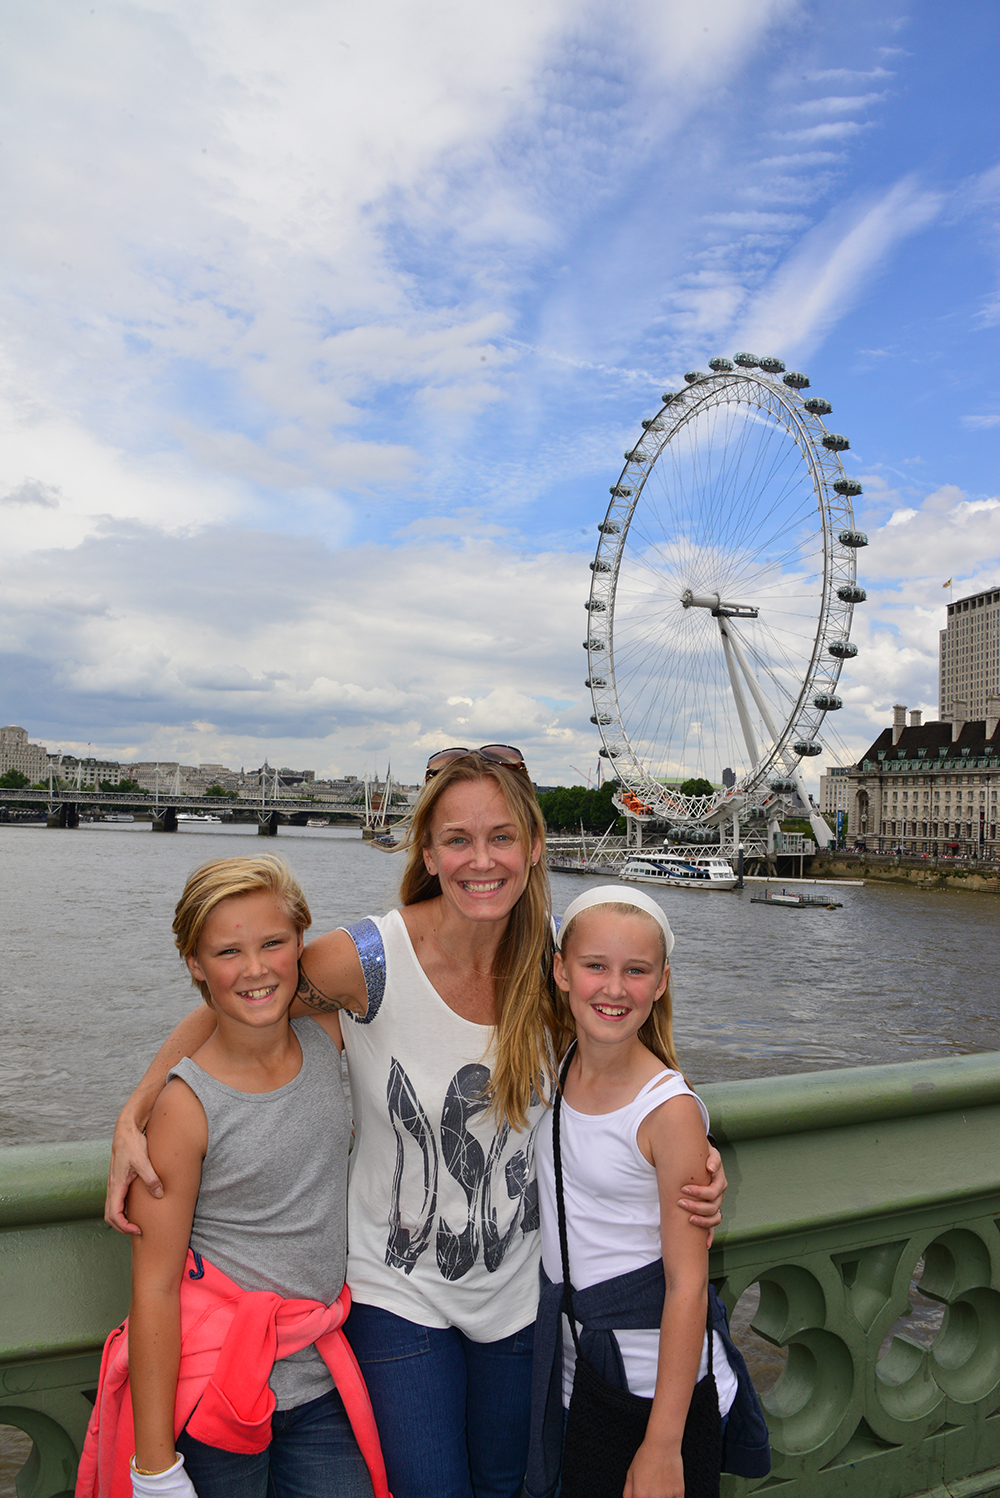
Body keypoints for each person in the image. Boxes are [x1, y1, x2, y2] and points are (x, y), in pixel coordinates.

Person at [105, 749, 726, 1498]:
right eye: (457, 840)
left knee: (509, 1486)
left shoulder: (559, 964)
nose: (481, 860)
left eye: (502, 837)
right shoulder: (369, 960)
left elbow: (629, 1042)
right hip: (395, 1294)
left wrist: (688, 1142)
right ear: (427, 854)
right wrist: (138, 1107)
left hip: (520, 1293)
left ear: (535, 848)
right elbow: (239, 998)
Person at [79, 856, 387, 1498]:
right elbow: (156, 1288)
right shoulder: (184, 1110)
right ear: (194, 963)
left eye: (273, 943)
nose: (255, 968)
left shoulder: (329, 1032)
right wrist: (155, 1465)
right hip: (213, 1392)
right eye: (227, 952)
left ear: (302, 942)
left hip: (318, 1382)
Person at [527, 888, 738, 1498]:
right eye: (595, 966)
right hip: (578, 1371)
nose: (613, 988)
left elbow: (688, 1284)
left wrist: (663, 1444)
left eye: (636, 971)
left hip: (651, 1390)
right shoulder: (559, 1061)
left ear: (662, 982)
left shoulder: (667, 1112)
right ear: (562, 971)